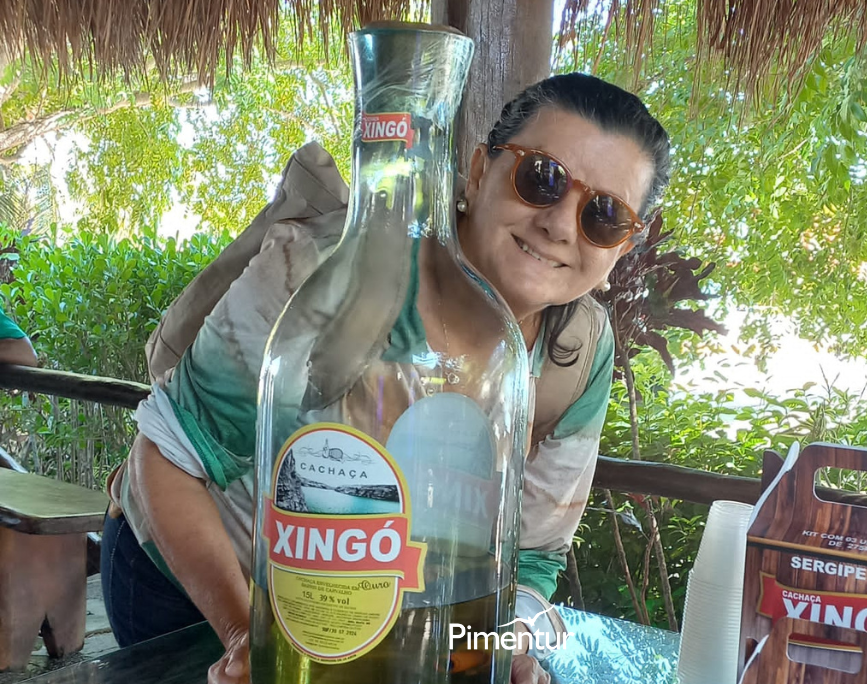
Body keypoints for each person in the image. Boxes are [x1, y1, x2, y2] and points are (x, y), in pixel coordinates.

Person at [101, 72, 671, 684]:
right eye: (542, 179)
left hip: (370, 623)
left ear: (622, 249)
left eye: (604, 216)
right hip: (194, 589)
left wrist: (497, 645)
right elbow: (169, 456)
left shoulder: (578, 350)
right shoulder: (325, 275)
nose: (559, 224)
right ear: (480, 171)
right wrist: (246, 637)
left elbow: (531, 555)